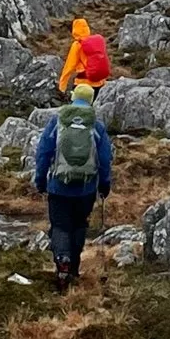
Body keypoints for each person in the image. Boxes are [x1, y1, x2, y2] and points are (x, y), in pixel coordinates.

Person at [33, 81, 113, 292]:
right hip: (86, 189)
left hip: (58, 186)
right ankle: (74, 268)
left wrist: (40, 180)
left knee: (60, 225)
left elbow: (43, 153)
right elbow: (105, 159)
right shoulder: (96, 125)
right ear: (91, 101)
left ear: (72, 97)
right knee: (79, 225)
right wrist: (104, 184)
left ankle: (62, 263)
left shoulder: (58, 121)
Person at [58, 17, 112, 97]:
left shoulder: (77, 45)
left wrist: (62, 86)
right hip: (99, 83)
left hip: (83, 83)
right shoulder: (95, 42)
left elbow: (69, 66)